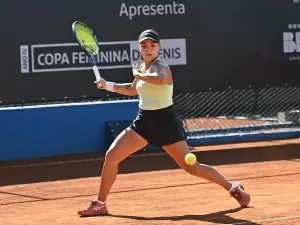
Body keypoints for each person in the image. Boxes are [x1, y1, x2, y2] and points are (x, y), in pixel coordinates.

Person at [77, 29, 250, 217]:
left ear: (158, 48)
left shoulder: (162, 66)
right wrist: (108, 85)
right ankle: (100, 204)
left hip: (166, 123)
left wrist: (139, 75)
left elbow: (161, 80)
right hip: (143, 122)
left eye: (152, 45)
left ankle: (232, 187)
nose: (148, 49)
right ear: (140, 49)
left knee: (191, 167)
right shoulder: (141, 68)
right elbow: (132, 90)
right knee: (112, 156)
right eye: (144, 46)